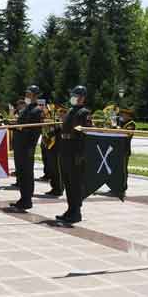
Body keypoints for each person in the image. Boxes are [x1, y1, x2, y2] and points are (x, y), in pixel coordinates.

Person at [55, 86, 92, 224]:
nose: (73, 97)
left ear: (82, 97)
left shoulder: (84, 113)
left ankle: (76, 211)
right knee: (68, 182)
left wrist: (81, 154)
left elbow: (86, 134)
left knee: (75, 183)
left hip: (75, 151)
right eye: (73, 94)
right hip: (65, 149)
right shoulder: (71, 111)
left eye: (76, 95)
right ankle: (70, 209)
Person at [11, 86, 43, 211]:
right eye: (27, 94)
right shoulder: (25, 109)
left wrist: (31, 146)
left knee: (27, 173)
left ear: (35, 96)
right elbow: (21, 125)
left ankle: (27, 199)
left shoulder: (37, 110)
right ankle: (23, 197)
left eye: (29, 94)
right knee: (21, 173)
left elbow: (36, 131)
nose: (27, 96)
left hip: (27, 146)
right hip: (20, 145)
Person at [12, 99, 27, 188]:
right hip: (17, 140)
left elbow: (21, 126)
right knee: (17, 163)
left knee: (22, 163)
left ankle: (21, 181)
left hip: (22, 141)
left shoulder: (24, 114)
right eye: (17, 105)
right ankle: (19, 180)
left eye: (19, 105)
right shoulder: (18, 113)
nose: (17, 106)